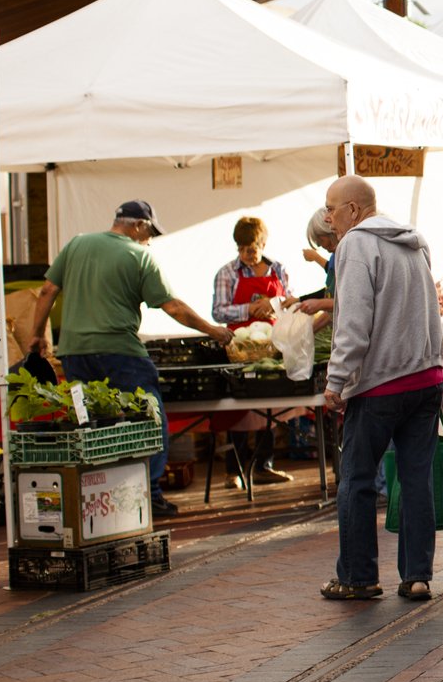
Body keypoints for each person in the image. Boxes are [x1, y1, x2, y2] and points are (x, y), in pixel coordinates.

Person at [27, 200, 231, 518]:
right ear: (137, 225)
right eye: (149, 231)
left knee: (93, 423)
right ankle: (150, 493)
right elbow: (172, 307)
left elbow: (47, 290)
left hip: (74, 353)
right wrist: (212, 330)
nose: (149, 238)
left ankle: (98, 495)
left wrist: (37, 335)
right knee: (149, 418)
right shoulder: (139, 255)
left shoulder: (76, 244)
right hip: (119, 352)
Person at [321, 175, 443, 602]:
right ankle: (416, 576)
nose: (328, 218)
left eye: (332, 208)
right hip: (427, 378)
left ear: (354, 210)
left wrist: (335, 381)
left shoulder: (355, 245)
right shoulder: (414, 240)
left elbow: (353, 324)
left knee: (356, 481)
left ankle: (358, 577)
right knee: (415, 478)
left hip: (380, 385)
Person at [210, 216, 294, 487]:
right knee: (239, 409)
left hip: (271, 346)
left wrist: (275, 304)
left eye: (253, 247)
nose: (248, 253)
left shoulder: (278, 269)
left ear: (263, 243)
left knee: (269, 407)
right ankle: (233, 470)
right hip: (240, 348)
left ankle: (263, 465)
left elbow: (291, 303)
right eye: (243, 247)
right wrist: (249, 309)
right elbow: (218, 311)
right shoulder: (227, 273)